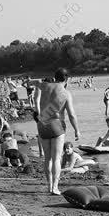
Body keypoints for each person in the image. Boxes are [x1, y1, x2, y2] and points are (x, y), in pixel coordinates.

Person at [31, 67, 80, 195]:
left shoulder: (45, 86)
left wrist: (30, 82)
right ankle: (55, 187)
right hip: (57, 125)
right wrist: (77, 130)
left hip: (42, 124)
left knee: (47, 159)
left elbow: (34, 83)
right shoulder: (66, 93)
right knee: (57, 159)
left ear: (55, 77)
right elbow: (72, 115)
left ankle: (49, 186)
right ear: (66, 79)